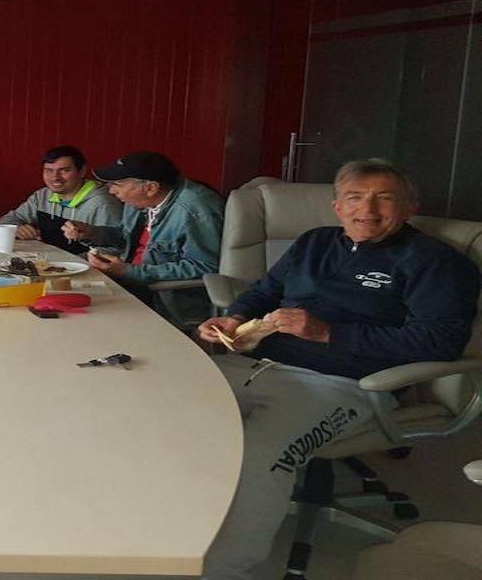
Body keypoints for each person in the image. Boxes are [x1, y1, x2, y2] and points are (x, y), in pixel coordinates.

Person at [195, 159, 479, 580]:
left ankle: (226, 570)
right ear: (337, 206)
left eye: (384, 198)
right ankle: (176, 532)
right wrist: (234, 318)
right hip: (254, 362)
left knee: (260, 453)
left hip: (346, 383)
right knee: (172, 410)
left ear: (409, 207)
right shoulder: (315, 242)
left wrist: (329, 333)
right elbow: (265, 292)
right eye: (354, 197)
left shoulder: (435, 262)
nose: (368, 209)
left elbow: (440, 341)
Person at [62, 150, 223, 324]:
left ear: (151, 188)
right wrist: (92, 232)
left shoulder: (195, 209)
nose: (111, 191)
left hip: (161, 300)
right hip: (130, 281)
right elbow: (125, 237)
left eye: (117, 184)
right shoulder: (140, 201)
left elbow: (205, 266)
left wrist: (129, 271)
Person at [0, 145, 121, 252]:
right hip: (47, 262)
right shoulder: (43, 195)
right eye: (48, 171)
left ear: (82, 171)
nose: (55, 177)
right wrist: (16, 228)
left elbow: (116, 247)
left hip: (83, 268)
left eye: (64, 170)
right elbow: (8, 219)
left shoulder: (103, 203)